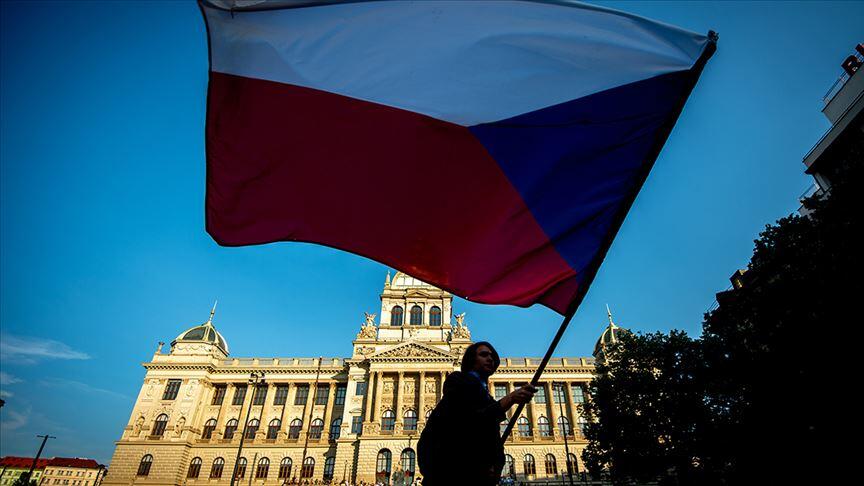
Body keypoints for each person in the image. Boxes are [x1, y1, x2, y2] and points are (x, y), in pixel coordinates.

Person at [418, 341, 536, 486]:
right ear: (471, 360)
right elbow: (470, 422)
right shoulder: (457, 381)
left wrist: (496, 466)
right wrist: (510, 399)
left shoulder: (488, 398)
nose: (490, 358)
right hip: (451, 475)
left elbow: (492, 439)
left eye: (492, 356)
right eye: (484, 355)